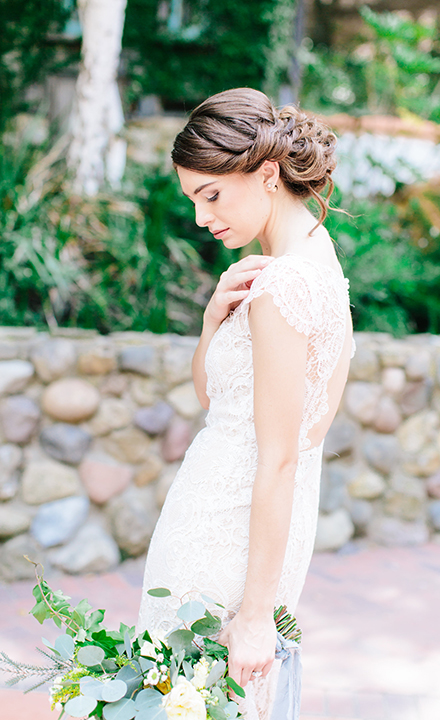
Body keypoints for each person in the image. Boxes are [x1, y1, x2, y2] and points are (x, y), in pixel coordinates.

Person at [137, 87, 355, 719]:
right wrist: (212, 322)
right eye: (193, 201)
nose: (203, 218)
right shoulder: (310, 260)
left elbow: (282, 456)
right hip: (226, 526)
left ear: (266, 174)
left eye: (212, 195)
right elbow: (215, 401)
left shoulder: (283, 285)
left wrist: (257, 615)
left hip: (227, 540)